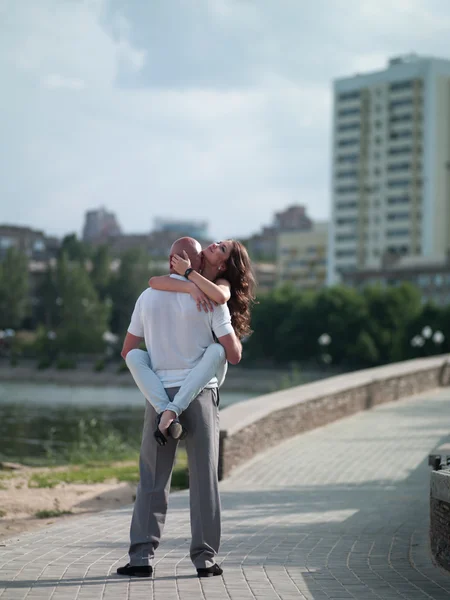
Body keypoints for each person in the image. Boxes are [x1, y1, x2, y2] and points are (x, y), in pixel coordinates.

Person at [117, 237, 243, 579]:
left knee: (152, 478)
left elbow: (128, 349)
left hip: (159, 394)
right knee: (204, 479)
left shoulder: (147, 297)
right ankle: (205, 560)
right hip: (199, 393)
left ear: (172, 259)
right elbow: (232, 354)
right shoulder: (209, 299)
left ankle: (141, 558)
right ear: (195, 261)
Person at [126, 239, 255, 443]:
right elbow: (153, 282)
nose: (215, 244)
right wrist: (189, 288)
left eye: (222, 248)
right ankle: (169, 414)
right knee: (134, 356)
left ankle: (170, 411)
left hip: (211, 369)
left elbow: (221, 297)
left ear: (222, 265)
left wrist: (189, 274)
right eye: (219, 242)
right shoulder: (190, 283)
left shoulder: (221, 283)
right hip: (185, 366)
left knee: (216, 351)